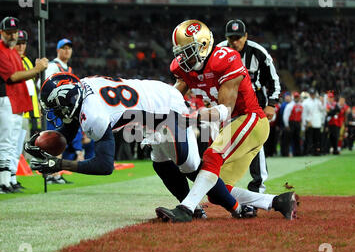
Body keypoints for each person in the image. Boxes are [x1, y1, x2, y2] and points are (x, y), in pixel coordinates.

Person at [25, 72, 297, 221]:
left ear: (68, 97)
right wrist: (41, 143)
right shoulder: (83, 88)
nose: (57, 114)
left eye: (57, 107)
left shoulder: (93, 113)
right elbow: (67, 127)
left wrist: (59, 164)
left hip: (166, 111)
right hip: (150, 110)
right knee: (161, 163)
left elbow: (105, 166)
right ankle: (270, 202)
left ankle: (238, 208)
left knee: (193, 171)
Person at [154, 19, 298, 222]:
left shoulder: (225, 58)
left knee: (212, 157)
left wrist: (195, 117)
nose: (183, 57)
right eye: (180, 52)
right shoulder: (185, 68)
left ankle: (186, 209)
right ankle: (277, 201)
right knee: (217, 190)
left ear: (203, 46)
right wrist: (153, 115)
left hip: (249, 118)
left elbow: (225, 109)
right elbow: (171, 98)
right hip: (231, 123)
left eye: (188, 51)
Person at [218, 19, 281, 199]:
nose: (235, 42)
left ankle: (258, 188)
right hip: (228, 106)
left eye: (238, 38)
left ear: (246, 36)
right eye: (231, 38)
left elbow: (274, 80)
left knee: (255, 144)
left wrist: (271, 104)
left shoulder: (258, 52)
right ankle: (220, 185)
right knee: (222, 144)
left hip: (254, 106)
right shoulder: (219, 52)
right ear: (226, 38)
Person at [0, 16, 48, 194]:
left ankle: (8, 180)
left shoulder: (13, 52)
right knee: (5, 143)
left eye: (14, 33)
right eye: (9, 33)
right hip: (5, 99)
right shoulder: (2, 50)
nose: (12, 36)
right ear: (2, 33)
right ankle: (3, 182)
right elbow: (12, 77)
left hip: (16, 101)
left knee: (12, 143)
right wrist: (36, 70)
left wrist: (35, 71)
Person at [41, 38, 77, 184]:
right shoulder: (53, 66)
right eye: (64, 48)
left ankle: (55, 173)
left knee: (59, 142)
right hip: (55, 111)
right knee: (52, 142)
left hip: (65, 111)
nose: (67, 50)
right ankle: (50, 174)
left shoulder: (68, 69)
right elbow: (42, 83)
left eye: (69, 48)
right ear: (58, 50)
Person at [301, 88, 325, 156]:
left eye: (313, 94)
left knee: (317, 138)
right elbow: (304, 114)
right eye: (311, 94)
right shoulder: (305, 102)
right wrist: (305, 122)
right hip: (309, 122)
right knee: (309, 138)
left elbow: (322, 110)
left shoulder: (318, 102)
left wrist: (323, 102)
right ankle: (308, 151)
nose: (312, 95)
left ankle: (316, 151)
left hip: (317, 122)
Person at [282, 92, 303, 156]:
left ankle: (297, 153)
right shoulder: (290, 105)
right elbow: (285, 116)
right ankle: (286, 153)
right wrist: (286, 125)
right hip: (291, 123)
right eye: (295, 97)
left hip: (297, 123)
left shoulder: (301, 105)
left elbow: (302, 115)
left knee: (297, 139)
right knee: (288, 139)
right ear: (294, 97)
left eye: (297, 97)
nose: (296, 98)